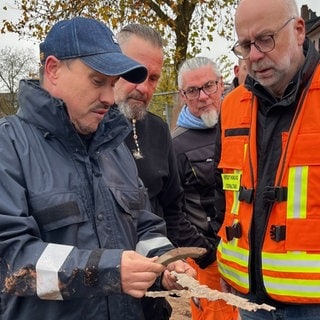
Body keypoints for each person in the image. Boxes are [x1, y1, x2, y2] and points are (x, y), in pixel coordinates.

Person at [0, 17, 195, 320]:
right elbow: (11, 260)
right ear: (53, 70)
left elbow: (144, 225)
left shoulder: (114, 148)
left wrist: (163, 264)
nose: (108, 97)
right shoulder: (8, 146)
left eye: (113, 83)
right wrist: (109, 271)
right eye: (97, 81)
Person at [214, 0, 320, 319]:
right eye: (245, 45)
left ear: (299, 30)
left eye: (265, 39)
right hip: (248, 300)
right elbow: (225, 195)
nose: (255, 55)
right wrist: (228, 261)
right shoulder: (231, 106)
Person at [115, 24, 217, 320]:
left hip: (152, 298)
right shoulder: (87, 131)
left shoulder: (158, 131)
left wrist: (171, 264)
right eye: (134, 72)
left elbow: (171, 208)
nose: (143, 87)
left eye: (154, 77)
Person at [172, 56, 238, 320]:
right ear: (182, 95)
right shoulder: (175, 146)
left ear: (221, 84)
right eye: (192, 90)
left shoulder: (243, 128)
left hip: (249, 254)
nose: (203, 96)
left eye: (209, 86)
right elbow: (172, 212)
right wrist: (205, 253)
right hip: (209, 261)